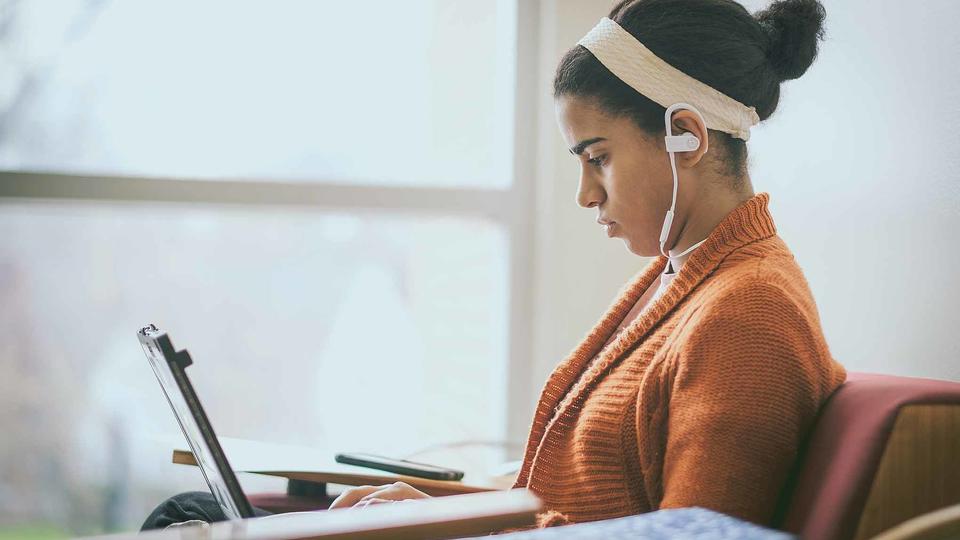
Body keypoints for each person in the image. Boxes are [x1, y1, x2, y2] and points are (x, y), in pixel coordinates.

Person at [142, 0, 846, 532]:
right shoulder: (683, 277)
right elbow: (554, 499)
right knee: (197, 512)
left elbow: (688, 533)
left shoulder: (748, 312)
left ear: (685, 134)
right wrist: (422, 508)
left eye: (597, 156)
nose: (585, 193)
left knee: (189, 518)